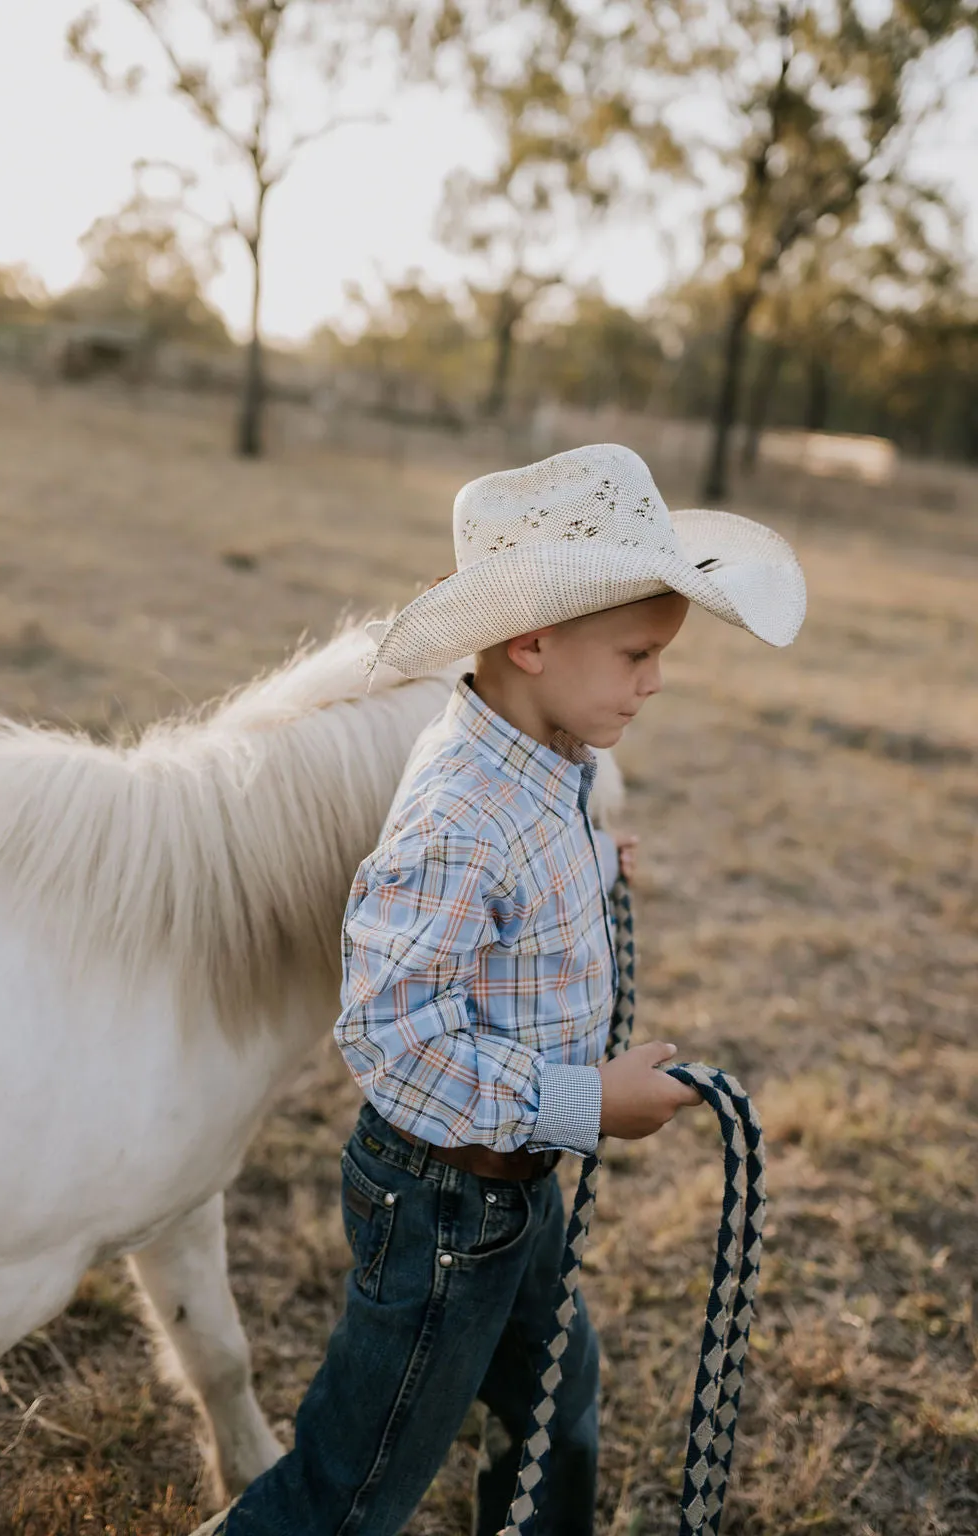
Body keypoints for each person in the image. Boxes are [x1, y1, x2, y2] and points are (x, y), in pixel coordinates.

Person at [192, 442, 806, 1536]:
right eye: (636, 654)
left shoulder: (538, 756)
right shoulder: (459, 816)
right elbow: (393, 1037)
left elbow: (511, 902)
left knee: (556, 1400)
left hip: (511, 1186)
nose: (654, 679)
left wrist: (592, 864)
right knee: (352, 1487)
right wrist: (588, 1104)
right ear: (532, 642)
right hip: (444, 1201)